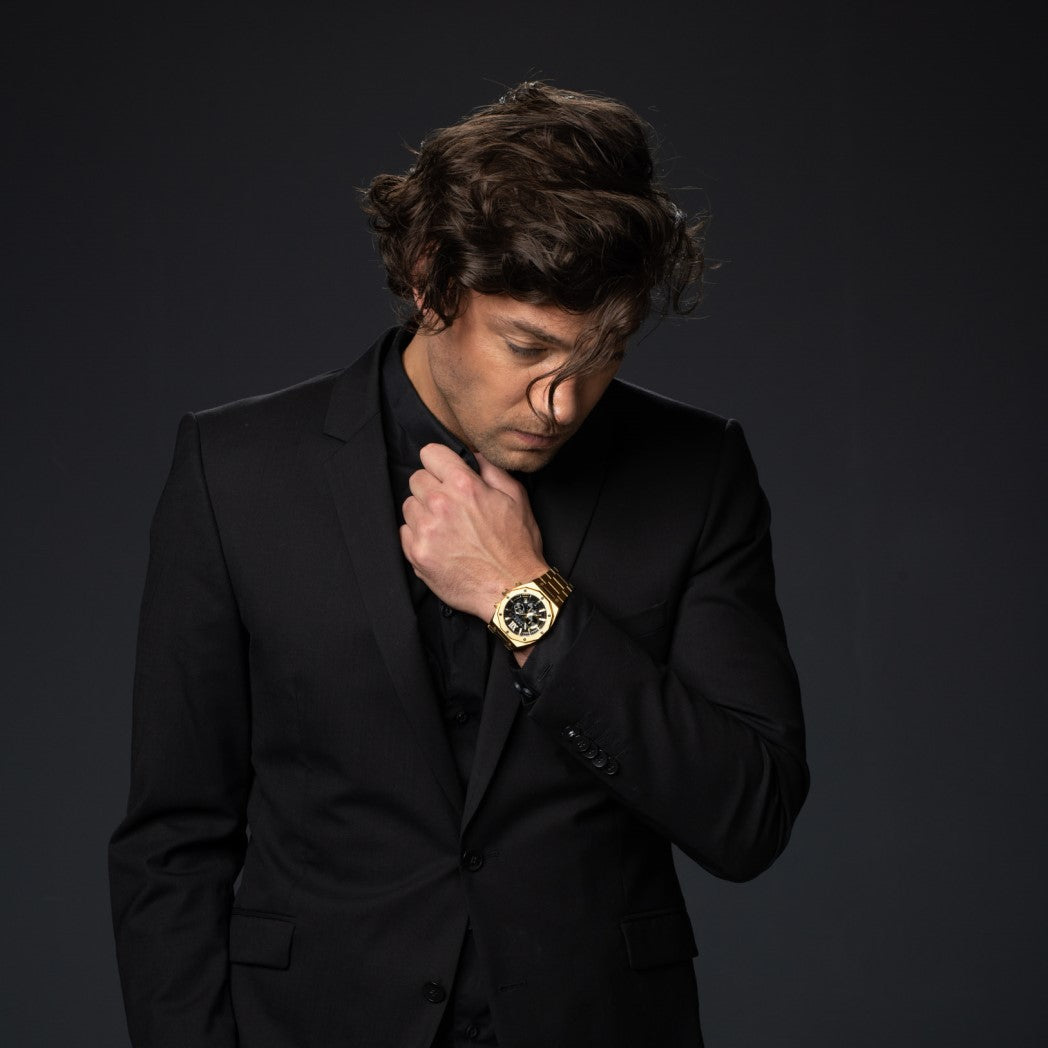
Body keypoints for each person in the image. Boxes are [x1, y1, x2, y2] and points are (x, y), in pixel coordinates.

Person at [108, 81, 808, 1048]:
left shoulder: (697, 472)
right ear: (431, 283)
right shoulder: (234, 473)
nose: (562, 404)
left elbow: (749, 815)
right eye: (528, 348)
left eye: (602, 354)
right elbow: (172, 840)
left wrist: (527, 599)